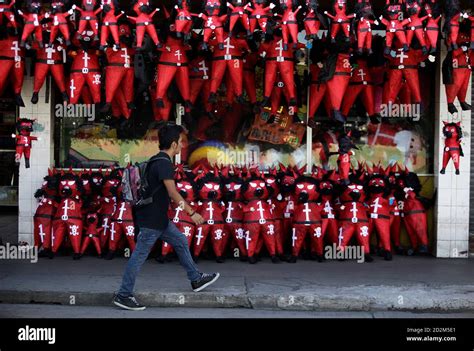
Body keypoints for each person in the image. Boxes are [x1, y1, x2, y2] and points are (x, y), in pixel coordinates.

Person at [113, 123, 220, 311]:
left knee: (179, 240)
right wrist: (191, 213)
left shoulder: (156, 160)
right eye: (180, 142)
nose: (182, 145)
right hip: (152, 221)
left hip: (157, 219)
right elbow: (172, 192)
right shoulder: (164, 164)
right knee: (138, 256)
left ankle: (195, 279)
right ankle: (123, 294)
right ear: (173, 144)